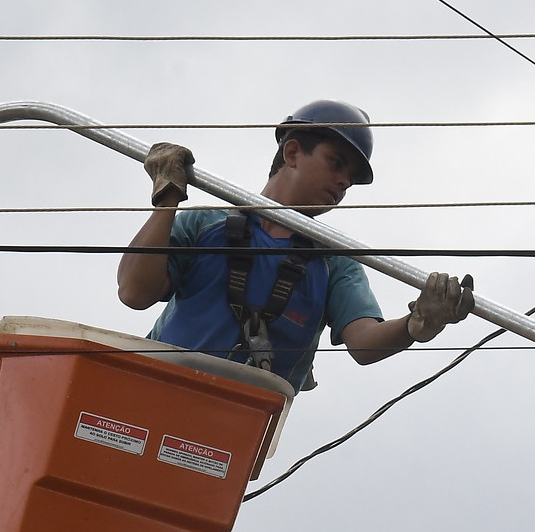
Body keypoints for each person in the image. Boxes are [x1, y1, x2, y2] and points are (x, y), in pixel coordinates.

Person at [115, 100, 472, 390]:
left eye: (351, 178)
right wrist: (168, 200)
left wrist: (416, 323)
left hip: (237, 425)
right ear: (292, 152)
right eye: (336, 163)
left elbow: (363, 342)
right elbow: (134, 292)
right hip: (153, 389)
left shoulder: (334, 263)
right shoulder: (207, 224)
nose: (344, 181)